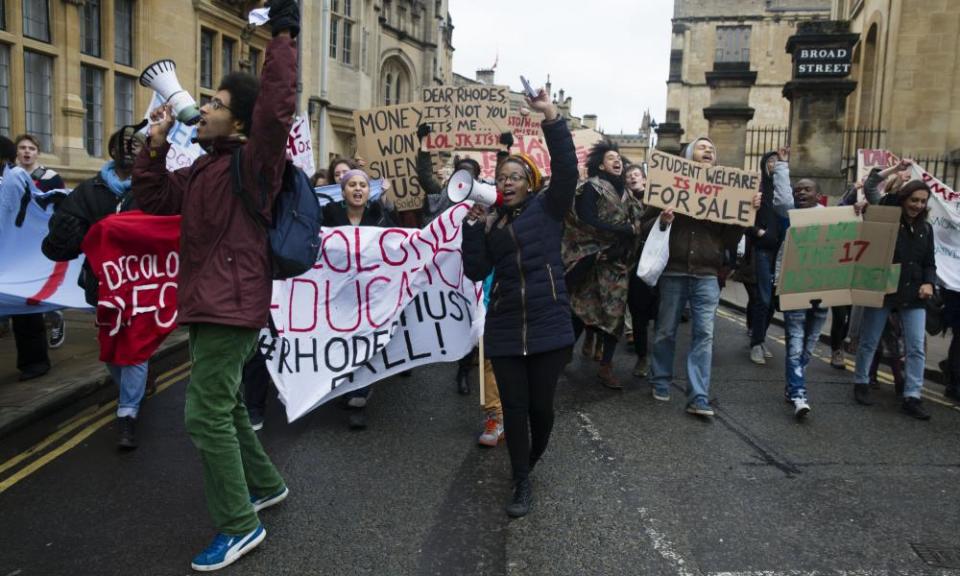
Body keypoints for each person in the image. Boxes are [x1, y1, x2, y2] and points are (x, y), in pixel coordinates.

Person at [133, 2, 298, 570]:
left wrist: (283, 33)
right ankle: (266, 484)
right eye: (205, 100)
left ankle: (238, 524)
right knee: (224, 408)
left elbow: (277, 108)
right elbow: (153, 199)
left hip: (232, 307)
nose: (201, 108)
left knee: (202, 415)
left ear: (243, 124)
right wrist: (153, 147)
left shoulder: (255, 163)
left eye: (216, 104)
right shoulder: (204, 167)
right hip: (207, 305)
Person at [461, 87, 577, 518]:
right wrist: (472, 230)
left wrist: (550, 116)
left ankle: (529, 462)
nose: (506, 183)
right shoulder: (490, 225)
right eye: (501, 178)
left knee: (541, 410)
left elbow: (567, 168)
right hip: (507, 329)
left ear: (529, 184)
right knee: (514, 408)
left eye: (514, 177)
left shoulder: (549, 209)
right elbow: (475, 271)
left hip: (549, 326)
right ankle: (522, 481)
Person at [42, 125, 149, 448]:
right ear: (112, 151)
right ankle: (132, 391)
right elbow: (61, 244)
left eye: (137, 146)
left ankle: (128, 412)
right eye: (124, 146)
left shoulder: (153, 190)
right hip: (101, 285)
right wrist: (67, 229)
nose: (130, 152)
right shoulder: (89, 191)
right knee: (112, 349)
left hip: (141, 286)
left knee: (134, 349)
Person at [645, 137, 761, 416]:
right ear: (688, 155)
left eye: (712, 148)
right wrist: (662, 220)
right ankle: (660, 379)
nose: (708, 150)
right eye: (702, 146)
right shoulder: (670, 185)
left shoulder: (725, 192)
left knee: (704, 335)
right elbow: (643, 225)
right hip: (674, 270)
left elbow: (729, 242)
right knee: (665, 330)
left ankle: (698, 396)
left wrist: (746, 215)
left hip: (708, 273)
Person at [562, 140, 643, 389]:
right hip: (590, 261)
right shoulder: (591, 188)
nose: (617, 160)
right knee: (580, 311)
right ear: (600, 164)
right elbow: (588, 221)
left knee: (615, 316)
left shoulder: (628, 195)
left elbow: (637, 226)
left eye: (619, 157)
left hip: (615, 265)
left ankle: (606, 367)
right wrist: (623, 230)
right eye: (610, 157)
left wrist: (631, 233)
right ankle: (562, 355)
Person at [853, 179, 936, 420]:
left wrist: (929, 282)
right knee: (869, 340)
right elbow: (873, 189)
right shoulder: (888, 218)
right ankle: (861, 383)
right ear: (903, 199)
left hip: (914, 295)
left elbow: (929, 262)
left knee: (916, 347)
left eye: (923, 201)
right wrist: (895, 173)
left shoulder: (926, 229)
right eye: (913, 200)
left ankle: (912, 395)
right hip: (884, 290)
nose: (918, 205)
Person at [322, 169, 395, 430]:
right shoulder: (329, 215)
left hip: (370, 295)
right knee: (342, 344)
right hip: (337, 294)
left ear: (368, 190)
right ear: (342, 191)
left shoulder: (379, 215)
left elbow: (393, 245)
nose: (357, 189)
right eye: (351, 184)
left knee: (363, 345)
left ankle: (358, 397)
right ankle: (347, 389)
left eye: (362, 185)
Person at [772, 175, 826, 418]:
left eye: (807, 189)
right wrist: (777, 284)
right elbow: (783, 254)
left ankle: (793, 384)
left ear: (818, 194)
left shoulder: (831, 217)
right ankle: (798, 393)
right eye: (798, 190)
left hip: (823, 291)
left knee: (809, 346)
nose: (801, 193)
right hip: (795, 289)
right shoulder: (790, 215)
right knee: (794, 344)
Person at [15, 133, 67, 350]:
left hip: (41, 239)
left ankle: (55, 318)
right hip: (17, 240)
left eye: (31, 148)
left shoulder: (50, 177)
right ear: (17, 152)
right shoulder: (10, 176)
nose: (27, 151)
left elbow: (62, 206)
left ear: (37, 152)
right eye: (23, 148)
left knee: (41, 283)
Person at [747, 150, 788, 365]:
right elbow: (743, 217)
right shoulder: (757, 188)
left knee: (773, 299)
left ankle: (760, 338)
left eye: (778, 161)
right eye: (770, 161)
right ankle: (756, 343)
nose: (774, 164)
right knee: (763, 298)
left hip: (783, 251)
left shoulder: (785, 192)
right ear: (764, 164)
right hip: (763, 250)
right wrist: (758, 232)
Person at [623, 164, 658, 378]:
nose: (632, 177)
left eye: (636, 174)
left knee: (661, 312)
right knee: (638, 313)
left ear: (645, 179)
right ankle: (642, 356)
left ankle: (660, 359)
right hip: (636, 263)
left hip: (660, 262)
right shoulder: (624, 203)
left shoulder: (658, 199)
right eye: (629, 176)